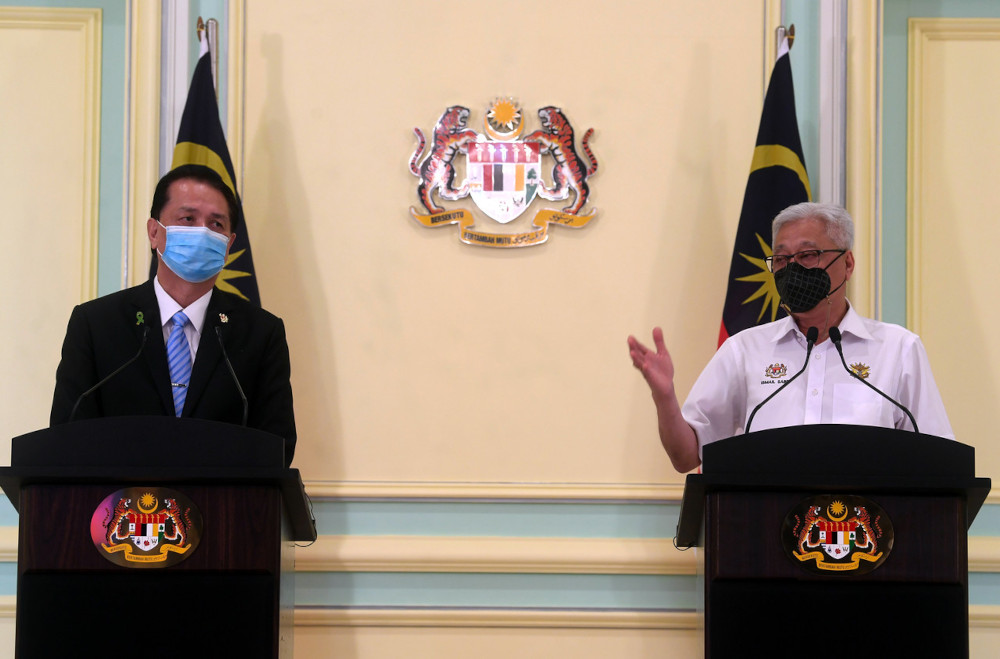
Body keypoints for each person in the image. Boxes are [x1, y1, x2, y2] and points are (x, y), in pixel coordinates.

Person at [628, 202, 952, 473]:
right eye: (781, 259)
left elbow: (940, 462)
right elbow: (685, 457)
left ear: (848, 263)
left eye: (808, 255)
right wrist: (665, 397)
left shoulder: (898, 349)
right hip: (763, 535)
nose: (792, 268)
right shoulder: (744, 351)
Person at [50, 164, 296, 464]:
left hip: (224, 509)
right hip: (118, 508)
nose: (203, 232)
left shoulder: (261, 333)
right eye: (188, 219)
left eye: (216, 224)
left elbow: (277, 448)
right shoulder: (95, 324)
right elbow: (65, 438)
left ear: (229, 246)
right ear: (155, 232)